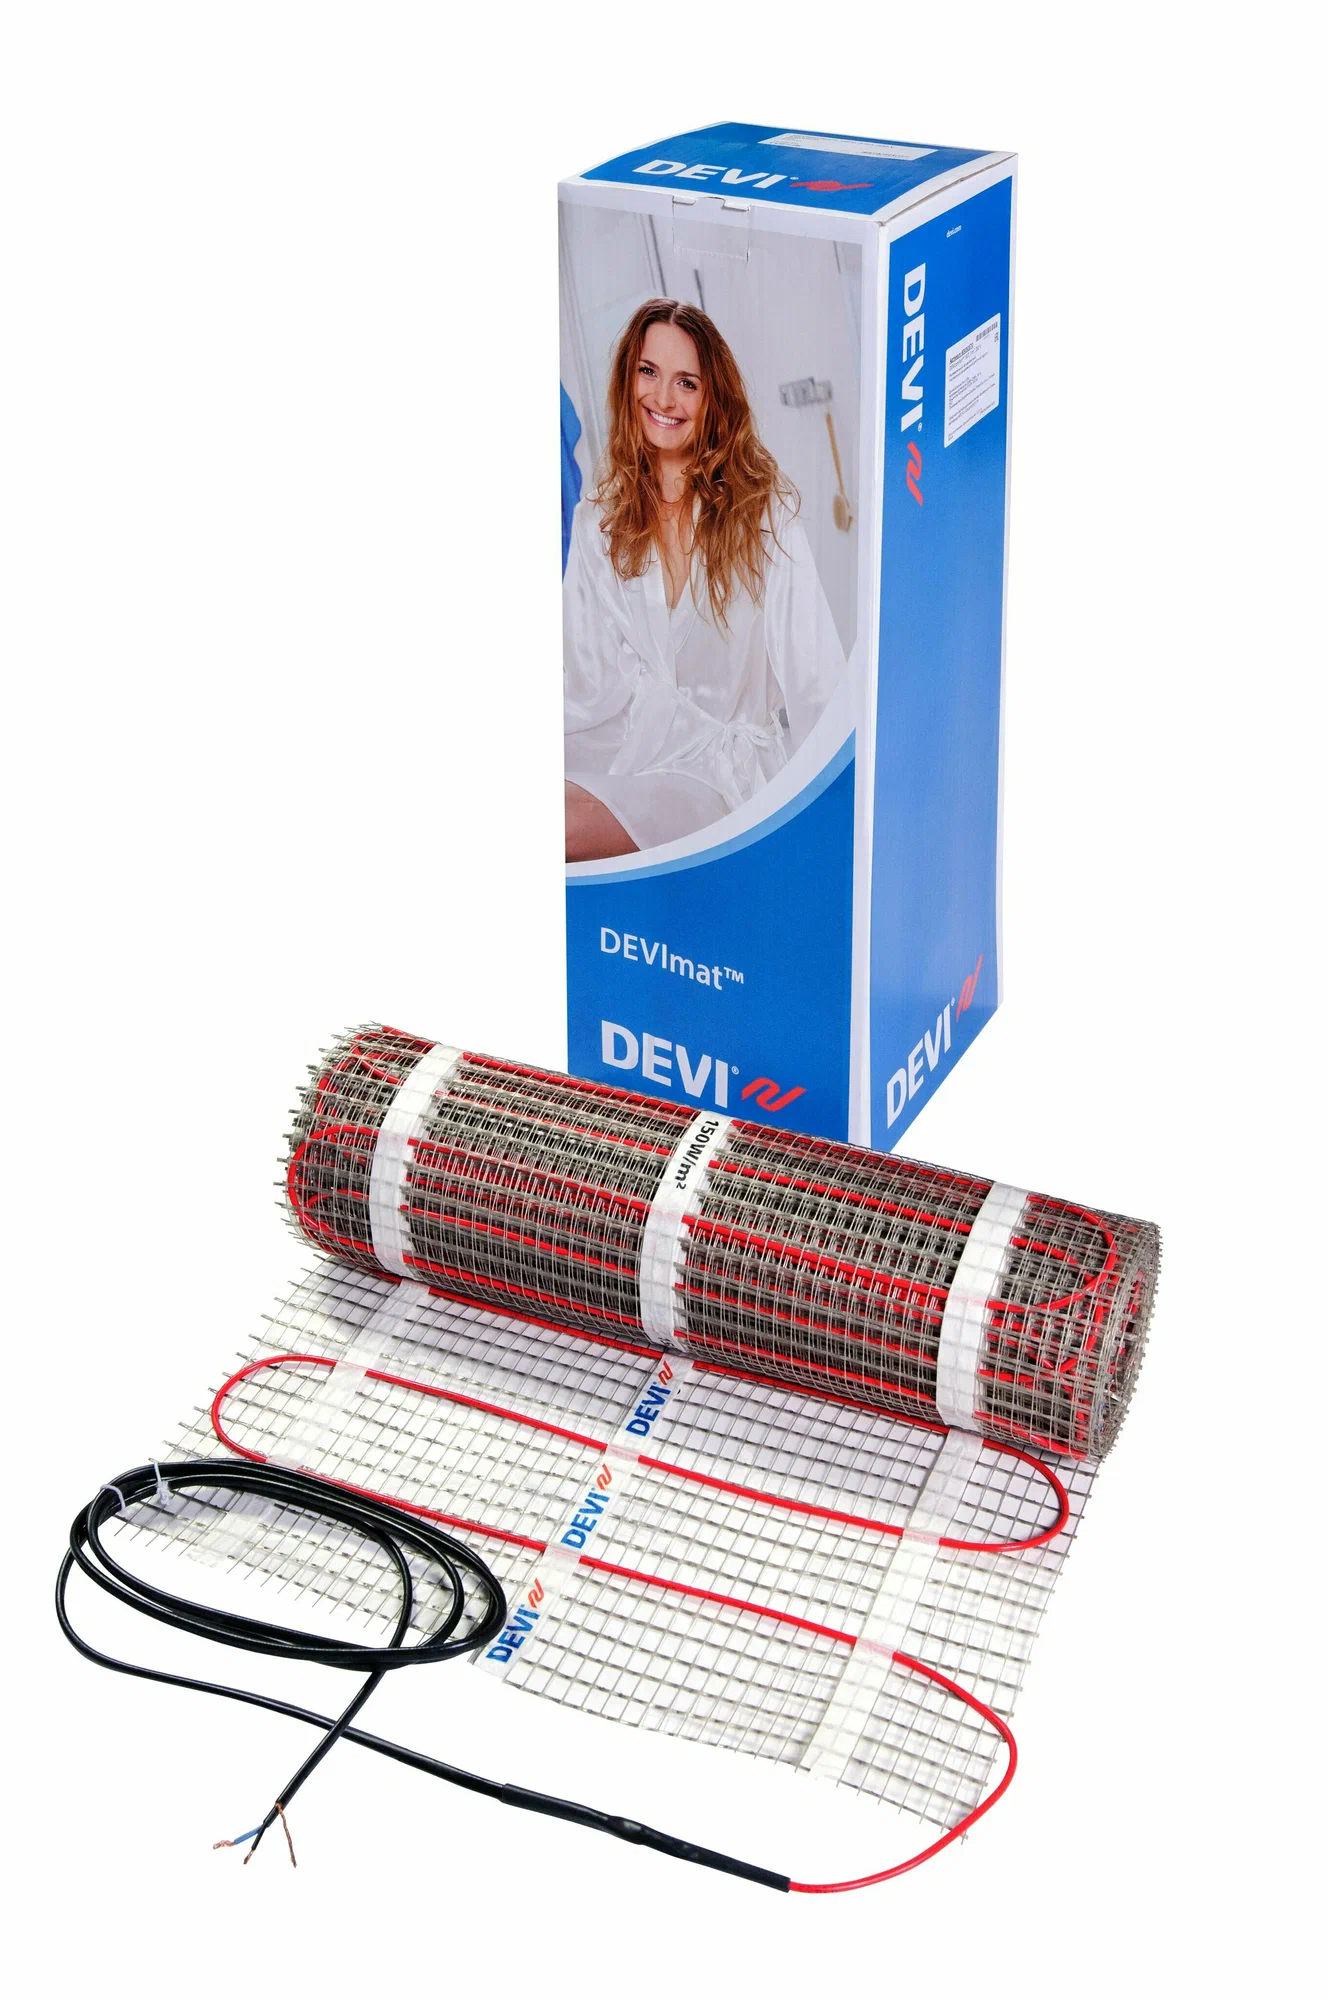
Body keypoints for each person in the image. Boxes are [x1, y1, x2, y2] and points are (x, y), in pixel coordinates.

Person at [564, 299, 846, 861]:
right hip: (634, 750)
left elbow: (818, 682)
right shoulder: (599, 519)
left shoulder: (763, 513)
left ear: (714, 396)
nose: (663, 399)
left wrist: (833, 827)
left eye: (686, 383)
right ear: (627, 379)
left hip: (725, 776)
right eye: (648, 372)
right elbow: (581, 682)